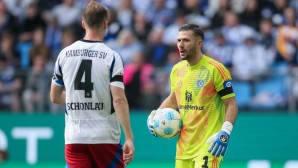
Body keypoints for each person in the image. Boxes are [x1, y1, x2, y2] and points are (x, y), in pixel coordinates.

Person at [50, 1, 134, 167]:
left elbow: (55, 96)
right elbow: (118, 100)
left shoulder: (64, 54)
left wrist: (79, 100)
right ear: (106, 24)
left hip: (75, 138)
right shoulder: (112, 57)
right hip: (105, 137)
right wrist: (129, 138)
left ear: (83, 23)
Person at [147, 24, 238, 168]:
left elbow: (231, 103)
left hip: (209, 146)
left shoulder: (215, 69)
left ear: (199, 43)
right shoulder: (177, 70)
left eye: (186, 40)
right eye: (178, 41)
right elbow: (173, 98)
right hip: (184, 147)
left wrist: (225, 132)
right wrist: (156, 115)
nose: (180, 45)